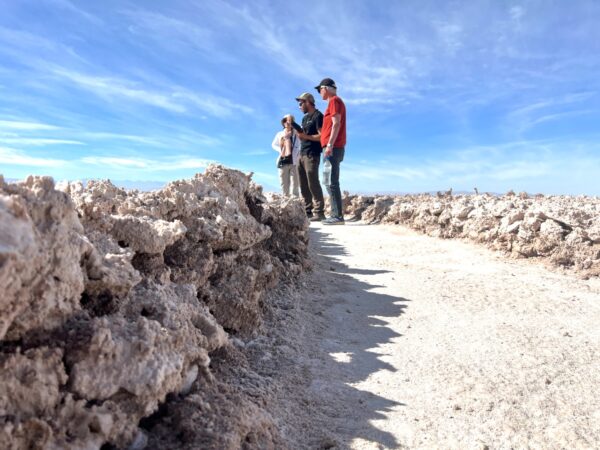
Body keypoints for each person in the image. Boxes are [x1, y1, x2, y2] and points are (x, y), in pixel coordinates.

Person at [316, 77, 346, 225]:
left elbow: (336, 123)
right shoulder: (333, 102)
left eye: (319, 90)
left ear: (325, 88)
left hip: (332, 147)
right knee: (329, 180)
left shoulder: (334, 101)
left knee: (331, 181)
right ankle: (336, 214)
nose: (319, 93)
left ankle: (337, 216)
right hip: (332, 147)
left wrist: (329, 145)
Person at [293, 92, 325, 221]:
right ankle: (308, 211)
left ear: (307, 102)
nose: (299, 106)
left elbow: (322, 136)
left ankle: (319, 212)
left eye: (301, 103)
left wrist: (305, 137)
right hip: (302, 153)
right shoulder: (305, 118)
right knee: (303, 183)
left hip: (312, 154)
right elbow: (302, 135)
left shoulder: (318, 116)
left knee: (313, 182)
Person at [271, 114, 300, 197]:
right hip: (283, 160)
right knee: (284, 182)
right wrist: (281, 151)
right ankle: (285, 199)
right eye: (284, 120)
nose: (286, 122)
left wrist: (299, 153)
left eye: (288, 120)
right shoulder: (280, 134)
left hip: (294, 161)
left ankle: (295, 202)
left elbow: (301, 144)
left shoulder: (297, 133)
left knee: (295, 183)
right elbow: (273, 144)